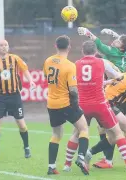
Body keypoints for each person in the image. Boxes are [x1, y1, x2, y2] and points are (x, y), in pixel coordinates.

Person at [63, 40, 126, 172]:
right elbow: (118, 75)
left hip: (82, 105)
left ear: (82, 51)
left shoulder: (76, 64)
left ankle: (67, 165)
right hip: (100, 104)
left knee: (76, 133)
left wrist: (104, 82)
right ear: (96, 51)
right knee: (117, 132)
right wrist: (116, 79)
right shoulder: (102, 62)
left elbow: (74, 83)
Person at [43, 35, 89, 175]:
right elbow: (73, 91)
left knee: (56, 134)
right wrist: (76, 105)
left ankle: (51, 166)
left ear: (55, 46)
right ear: (69, 47)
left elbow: (47, 78)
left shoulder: (48, 61)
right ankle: (81, 156)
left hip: (51, 103)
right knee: (83, 128)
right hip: (66, 103)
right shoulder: (69, 65)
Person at [0, 39, 36, 159]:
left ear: (8, 47)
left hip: (14, 96)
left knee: (21, 124)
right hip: (0, 97)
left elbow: (24, 69)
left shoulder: (15, 58)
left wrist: (31, 80)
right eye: (1, 45)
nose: (4, 47)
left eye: (6, 45)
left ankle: (26, 147)